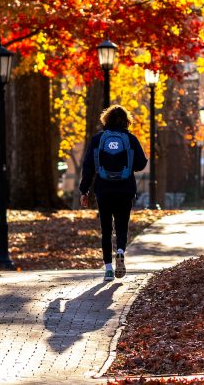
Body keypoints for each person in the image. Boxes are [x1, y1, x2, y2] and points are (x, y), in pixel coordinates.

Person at [80, 104, 148, 281]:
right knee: (122, 225)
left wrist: (84, 190)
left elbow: (88, 166)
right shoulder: (130, 139)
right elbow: (141, 164)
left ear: (106, 119)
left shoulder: (98, 139)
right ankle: (120, 251)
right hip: (125, 190)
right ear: (126, 121)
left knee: (106, 228)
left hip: (103, 190)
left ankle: (108, 268)